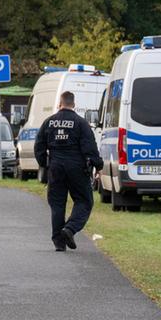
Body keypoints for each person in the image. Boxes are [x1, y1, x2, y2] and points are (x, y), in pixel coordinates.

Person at [34, 90, 105, 251]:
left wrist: (44, 164)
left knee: (57, 204)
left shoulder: (49, 122)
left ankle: (59, 242)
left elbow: (39, 146)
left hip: (56, 167)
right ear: (74, 104)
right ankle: (70, 229)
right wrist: (98, 166)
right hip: (77, 168)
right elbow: (90, 148)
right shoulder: (81, 123)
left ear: (60, 103)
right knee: (84, 201)